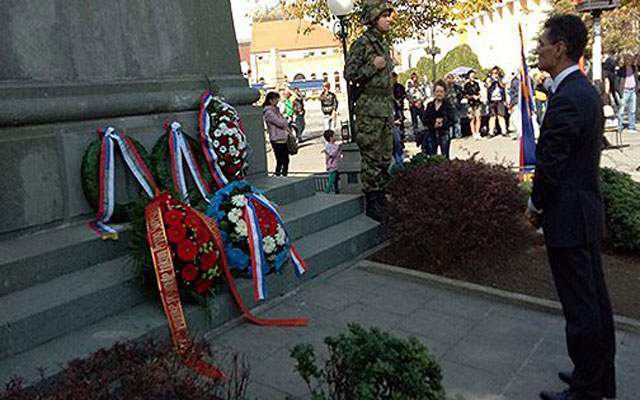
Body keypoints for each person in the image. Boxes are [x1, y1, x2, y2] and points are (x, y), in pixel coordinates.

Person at [526, 15, 616, 400]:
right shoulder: (584, 91)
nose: (539, 49)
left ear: (560, 48)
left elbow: (551, 164)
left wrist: (534, 206)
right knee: (595, 302)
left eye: (544, 42)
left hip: (568, 216)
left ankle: (586, 391)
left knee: (582, 310)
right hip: (585, 213)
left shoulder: (568, 97)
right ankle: (597, 378)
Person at [344, 0, 394, 221]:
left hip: (384, 107)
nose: (389, 19)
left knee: (384, 155)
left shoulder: (382, 44)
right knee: (372, 156)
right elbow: (349, 73)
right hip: (369, 109)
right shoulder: (362, 44)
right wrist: (374, 65)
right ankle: (372, 201)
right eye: (385, 15)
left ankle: (381, 196)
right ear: (374, 18)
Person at [423, 80, 454, 158]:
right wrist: (434, 122)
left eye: (441, 92)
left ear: (445, 93)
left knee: (445, 156)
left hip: (444, 133)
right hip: (431, 133)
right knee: (432, 156)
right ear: (434, 92)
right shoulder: (430, 105)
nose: (439, 94)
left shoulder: (448, 105)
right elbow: (425, 119)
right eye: (437, 91)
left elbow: (452, 120)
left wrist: (442, 122)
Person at [263, 92, 290, 177]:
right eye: (276, 99)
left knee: (286, 159)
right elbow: (280, 123)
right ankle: (278, 175)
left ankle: (284, 175)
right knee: (281, 160)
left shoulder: (276, 110)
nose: (277, 100)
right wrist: (285, 121)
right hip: (276, 138)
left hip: (282, 137)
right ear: (270, 100)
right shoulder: (269, 112)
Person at [616, 52, 637, 134]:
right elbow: (617, 81)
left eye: (630, 60)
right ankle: (619, 126)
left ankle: (631, 126)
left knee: (632, 110)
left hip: (632, 90)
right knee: (621, 110)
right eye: (628, 60)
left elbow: (635, 78)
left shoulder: (634, 68)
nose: (629, 61)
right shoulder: (621, 70)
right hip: (625, 91)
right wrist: (619, 91)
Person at [486, 66, 508, 136]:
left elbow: (504, 86)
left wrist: (498, 80)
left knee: (501, 116)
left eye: (496, 73)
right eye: (493, 73)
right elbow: (487, 86)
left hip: (500, 99)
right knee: (492, 116)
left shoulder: (501, 79)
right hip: (492, 100)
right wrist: (492, 80)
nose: (495, 74)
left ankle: (504, 131)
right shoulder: (489, 79)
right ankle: (491, 132)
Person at [406, 71, 427, 138]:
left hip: (420, 104)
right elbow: (407, 96)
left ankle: (426, 132)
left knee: (423, 119)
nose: (414, 79)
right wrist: (413, 103)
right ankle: (416, 135)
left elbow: (425, 95)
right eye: (413, 77)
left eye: (415, 77)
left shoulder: (420, 85)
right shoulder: (409, 87)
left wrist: (421, 102)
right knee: (414, 121)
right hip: (413, 106)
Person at [464, 70, 482, 139]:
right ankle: (473, 133)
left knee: (478, 117)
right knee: (472, 118)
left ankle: (477, 132)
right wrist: (472, 97)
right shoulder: (466, 85)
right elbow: (465, 95)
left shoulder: (476, 84)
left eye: (474, 76)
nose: (473, 77)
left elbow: (479, 91)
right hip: (470, 103)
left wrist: (478, 96)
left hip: (477, 102)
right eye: (471, 76)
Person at [445, 74, 463, 139]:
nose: (449, 80)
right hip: (447, 106)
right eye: (448, 78)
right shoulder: (444, 88)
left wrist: (458, 100)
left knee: (457, 121)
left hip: (456, 105)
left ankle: (458, 134)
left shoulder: (457, 87)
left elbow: (461, 94)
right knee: (448, 121)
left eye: (451, 78)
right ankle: (450, 135)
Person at [323, 130, 341, 194]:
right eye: (334, 136)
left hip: (337, 165)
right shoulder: (328, 146)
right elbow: (332, 154)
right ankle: (327, 191)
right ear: (330, 137)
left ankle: (337, 190)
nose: (335, 137)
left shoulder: (335, 145)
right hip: (332, 165)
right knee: (332, 179)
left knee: (337, 179)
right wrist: (337, 149)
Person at [392, 72, 407, 143]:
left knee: (401, 120)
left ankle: (402, 136)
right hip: (393, 106)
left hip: (400, 106)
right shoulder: (390, 87)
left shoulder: (400, 86)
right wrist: (395, 101)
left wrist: (399, 100)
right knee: (394, 120)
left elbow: (404, 94)